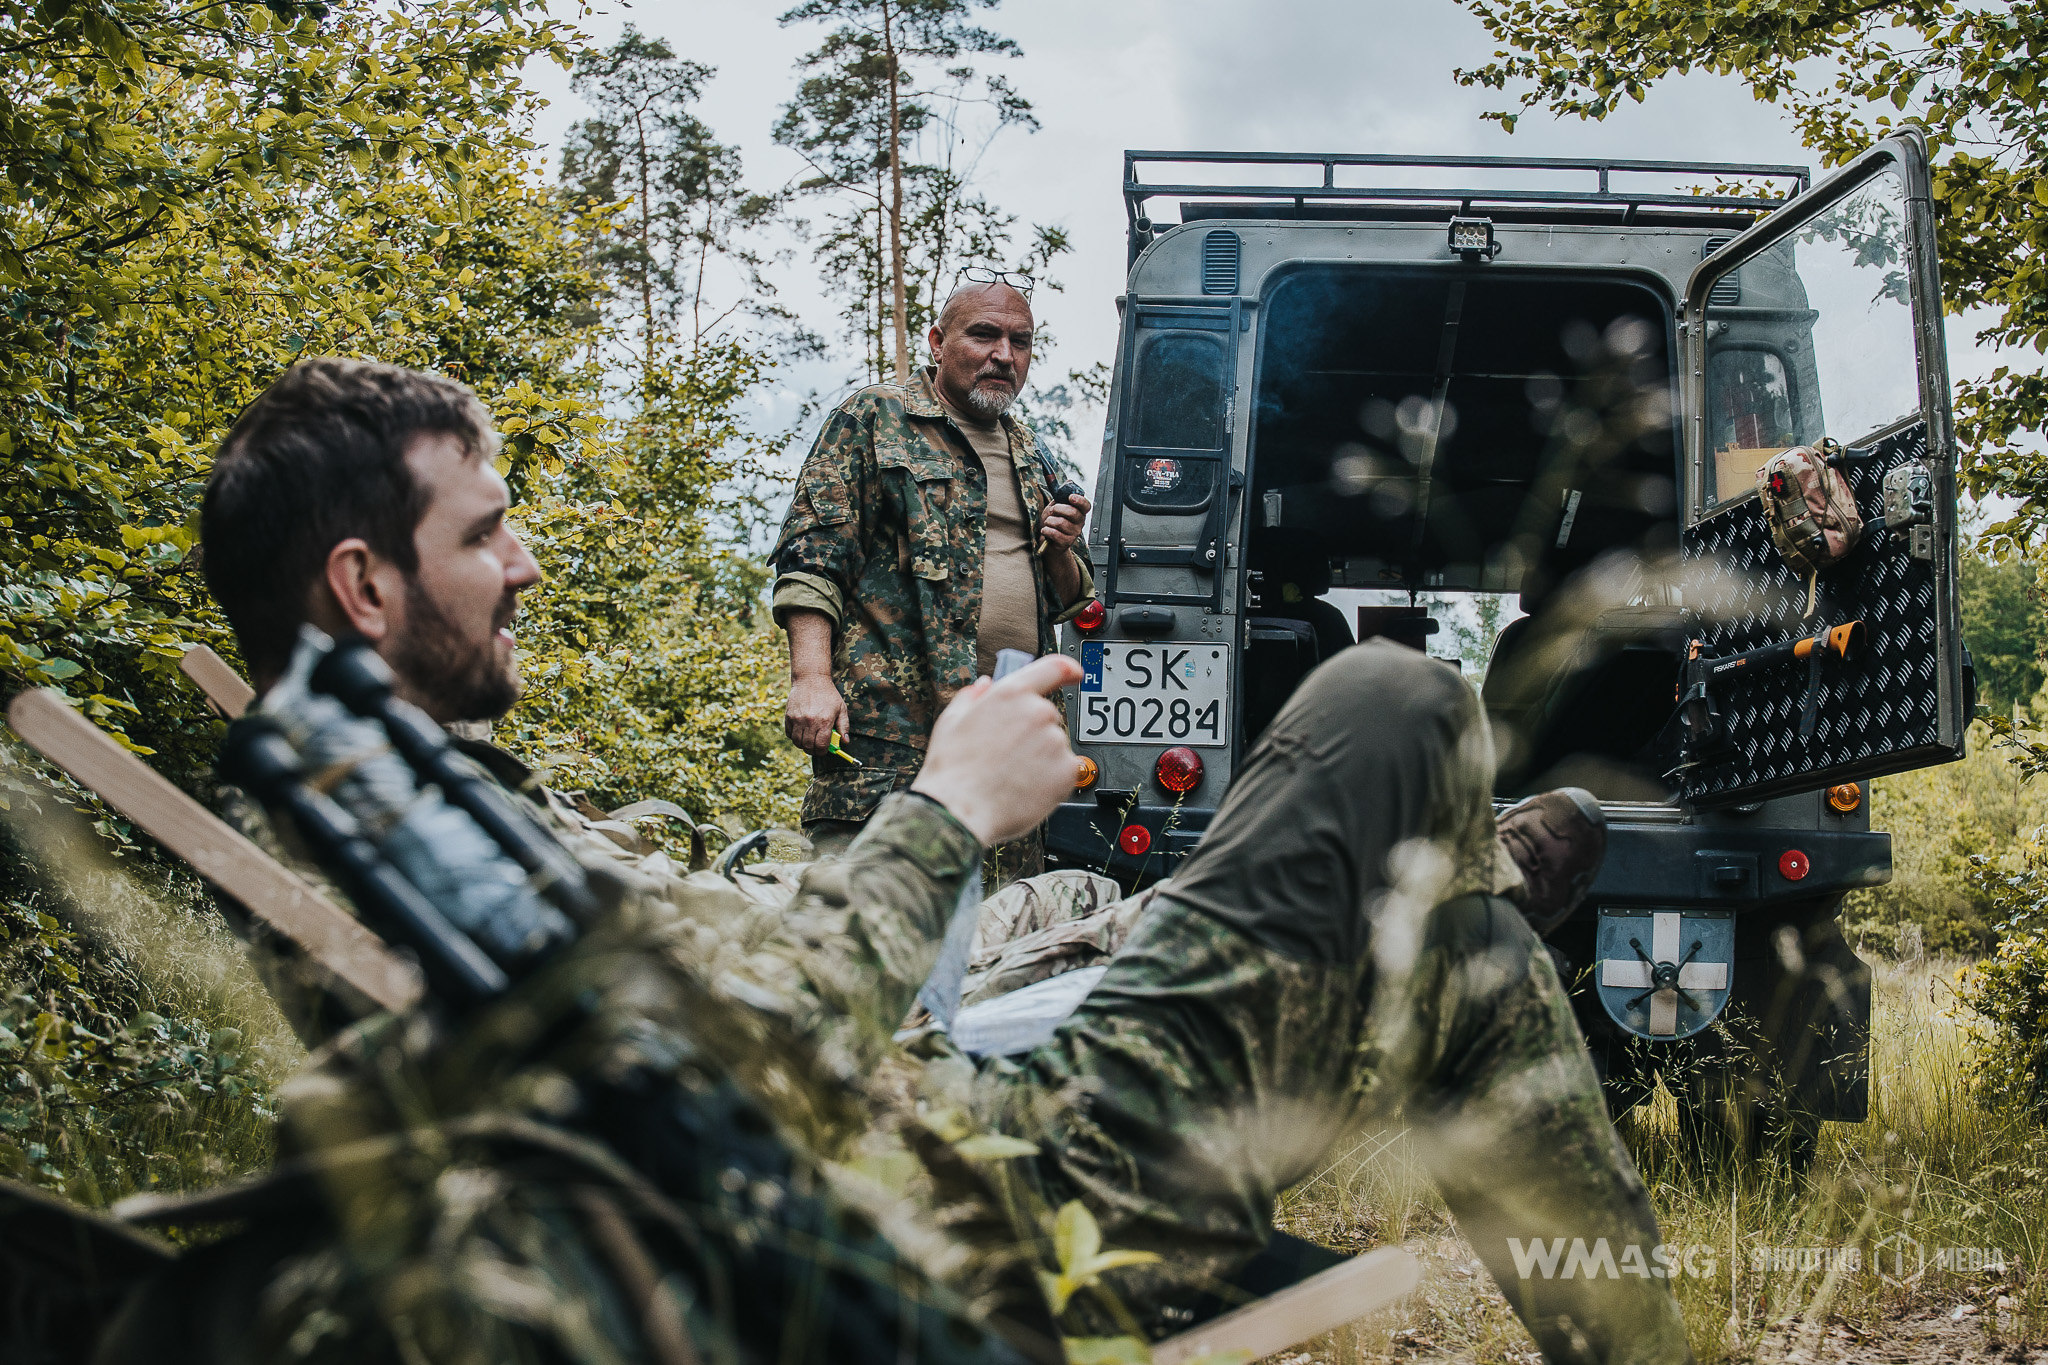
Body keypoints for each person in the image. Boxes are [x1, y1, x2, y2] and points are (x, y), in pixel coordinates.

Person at [186, 358, 1691, 1364]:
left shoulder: (424, 802)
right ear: (366, 583)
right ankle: (1463, 863)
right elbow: (699, 1085)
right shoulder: (366, 848)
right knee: (1396, 698)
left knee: (1465, 952)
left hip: (960, 1107)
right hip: (992, 1188)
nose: (521, 565)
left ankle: (1463, 890)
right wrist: (944, 806)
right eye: (486, 535)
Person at [771, 279, 1095, 873]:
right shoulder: (875, 418)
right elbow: (814, 557)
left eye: (1020, 342)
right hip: (895, 739)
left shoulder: (1033, 451)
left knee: (995, 939)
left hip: (1004, 744)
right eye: (984, 335)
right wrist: (811, 678)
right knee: (873, 928)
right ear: (938, 342)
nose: (1004, 354)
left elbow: (1069, 599)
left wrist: (1060, 547)